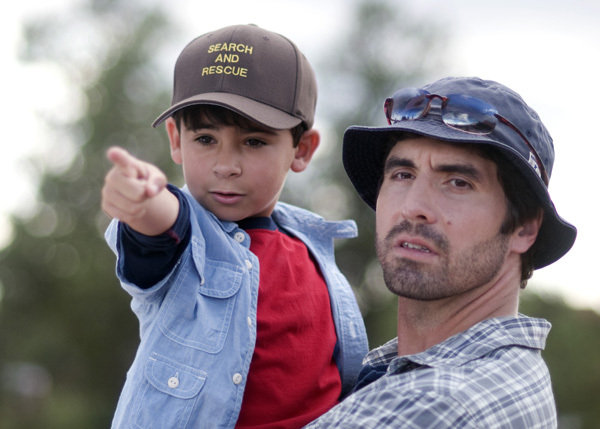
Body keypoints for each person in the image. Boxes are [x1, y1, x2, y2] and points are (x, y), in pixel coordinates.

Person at [101, 24, 368, 429]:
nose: (226, 166)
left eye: (254, 142)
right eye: (206, 139)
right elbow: (162, 224)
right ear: (176, 140)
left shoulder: (312, 248)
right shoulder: (190, 243)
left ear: (302, 150)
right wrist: (142, 203)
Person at [305, 76, 577, 428]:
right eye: (403, 174)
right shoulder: (510, 370)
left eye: (458, 183)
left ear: (524, 228)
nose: (414, 207)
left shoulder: (433, 405)